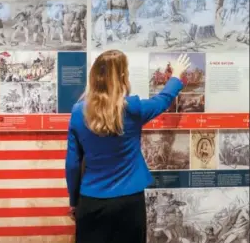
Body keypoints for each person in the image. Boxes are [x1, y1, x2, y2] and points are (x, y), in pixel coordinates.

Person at [65, 50, 190, 243]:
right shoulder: (132, 108)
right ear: (122, 76)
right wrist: (176, 76)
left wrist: (74, 202)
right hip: (129, 202)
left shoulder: (77, 112)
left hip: (91, 201)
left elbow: (73, 164)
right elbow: (163, 100)